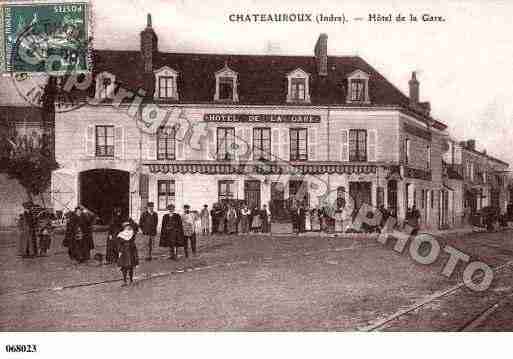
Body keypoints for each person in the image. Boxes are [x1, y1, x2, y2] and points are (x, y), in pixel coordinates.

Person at [117, 221, 139, 286]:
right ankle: (124, 281)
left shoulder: (132, 234)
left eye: (129, 226)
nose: (128, 227)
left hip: (131, 251)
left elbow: (133, 242)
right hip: (124, 252)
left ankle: (131, 280)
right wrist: (120, 251)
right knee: (124, 267)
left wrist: (134, 250)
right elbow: (119, 244)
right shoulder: (120, 235)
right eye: (126, 226)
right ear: (124, 227)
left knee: (131, 266)